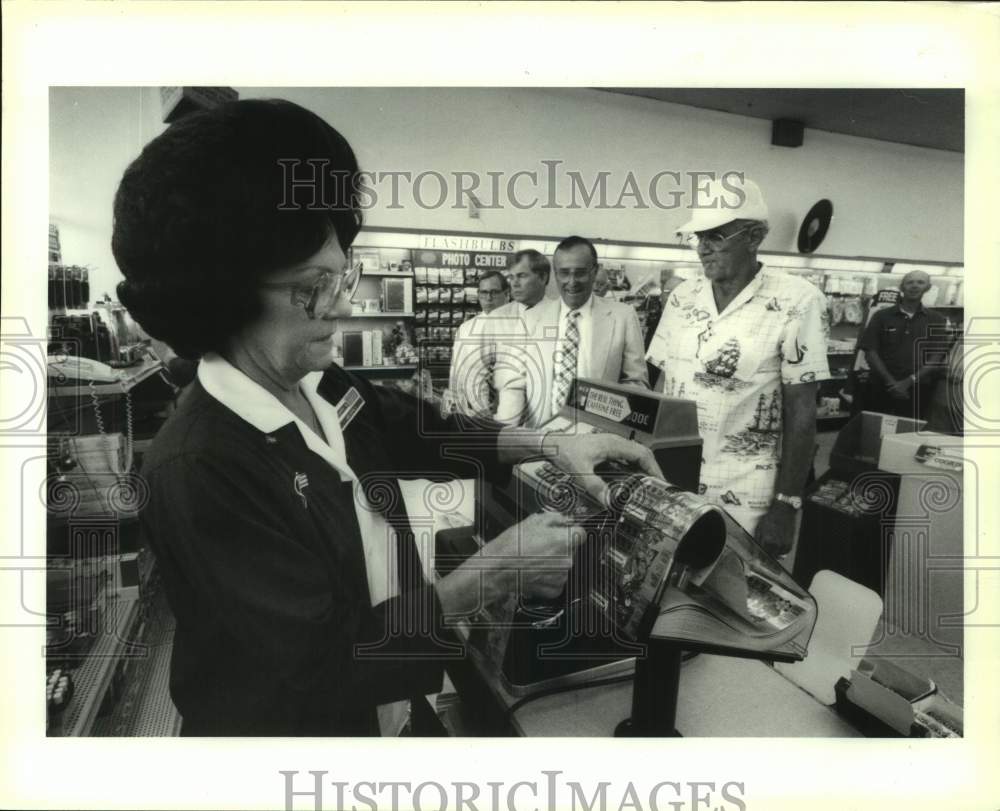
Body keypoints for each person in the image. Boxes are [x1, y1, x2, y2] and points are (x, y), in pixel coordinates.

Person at [111, 99, 662, 736]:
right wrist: (493, 574)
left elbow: (423, 430)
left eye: (341, 276)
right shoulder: (202, 465)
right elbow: (317, 666)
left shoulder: (320, 384)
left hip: (391, 711)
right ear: (227, 292)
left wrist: (551, 445)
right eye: (313, 285)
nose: (340, 306)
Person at [645, 177, 830, 556]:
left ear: (755, 236)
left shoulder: (799, 300)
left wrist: (787, 502)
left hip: (746, 489)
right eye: (699, 237)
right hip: (671, 475)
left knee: (733, 593)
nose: (704, 248)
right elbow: (662, 385)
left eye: (717, 236)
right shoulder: (683, 296)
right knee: (666, 580)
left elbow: (802, 410)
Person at [495, 236, 649, 429]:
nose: (572, 281)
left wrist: (608, 422)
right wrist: (504, 433)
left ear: (594, 271)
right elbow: (515, 383)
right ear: (556, 275)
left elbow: (637, 383)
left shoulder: (623, 316)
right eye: (565, 273)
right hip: (541, 438)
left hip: (598, 441)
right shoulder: (530, 318)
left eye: (580, 273)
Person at [860, 270, 950, 420]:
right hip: (880, 386)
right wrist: (892, 383)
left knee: (908, 435)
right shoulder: (882, 316)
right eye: (910, 282)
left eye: (920, 282)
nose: (914, 286)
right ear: (902, 287)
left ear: (928, 287)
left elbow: (936, 357)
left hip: (918, 389)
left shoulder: (937, 319)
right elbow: (871, 352)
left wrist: (908, 382)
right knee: (874, 431)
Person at [447, 269, 509, 416]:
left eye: (494, 292)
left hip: (507, 410)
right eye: (484, 292)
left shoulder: (518, 326)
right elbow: (456, 371)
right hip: (475, 411)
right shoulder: (466, 328)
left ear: (507, 294)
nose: (488, 298)